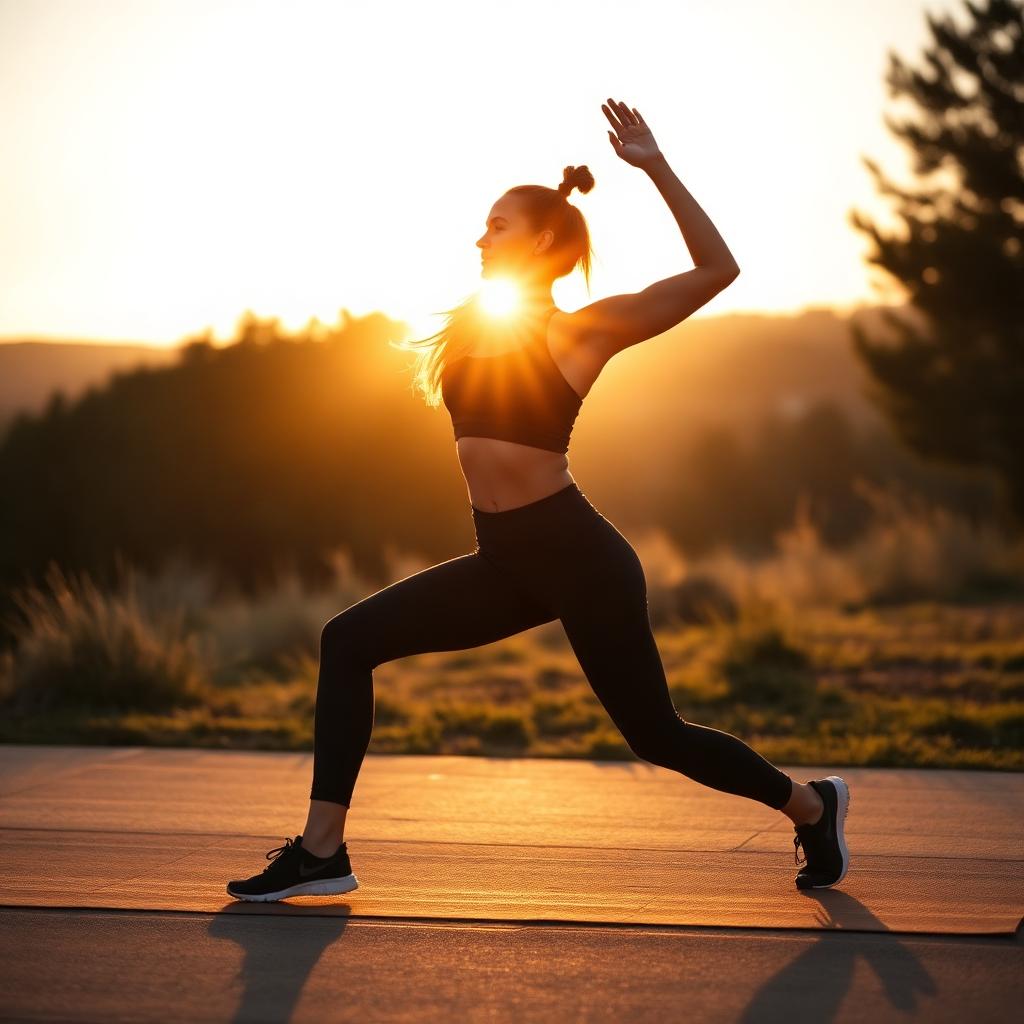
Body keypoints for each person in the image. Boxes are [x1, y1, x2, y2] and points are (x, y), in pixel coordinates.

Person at [227, 97, 850, 903]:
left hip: (580, 559)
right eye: (484, 226)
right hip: (505, 559)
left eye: (498, 226)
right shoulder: (470, 326)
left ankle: (811, 806)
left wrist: (655, 167)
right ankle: (321, 852)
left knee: (655, 735)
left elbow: (716, 271)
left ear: (546, 241)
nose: (480, 238)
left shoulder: (578, 333)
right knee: (347, 641)